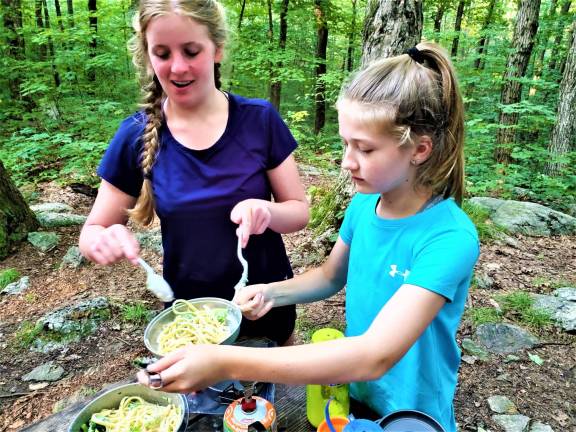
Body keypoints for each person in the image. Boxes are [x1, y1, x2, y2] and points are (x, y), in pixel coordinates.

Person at [137, 42, 480, 432]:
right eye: (345, 143)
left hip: (411, 411)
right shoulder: (364, 208)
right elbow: (331, 277)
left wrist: (224, 361)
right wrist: (271, 292)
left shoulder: (449, 239)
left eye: (364, 149)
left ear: (419, 149)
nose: (347, 161)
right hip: (357, 390)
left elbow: (376, 354)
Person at [78, 0, 309, 346]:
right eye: (163, 53)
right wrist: (101, 239)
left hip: (265, 304)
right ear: (147, 55)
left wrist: (267, 211)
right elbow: (93, 230)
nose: (178, 67)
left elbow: (299, 211)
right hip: (189, 319)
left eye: (191, 50)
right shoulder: (135, 135)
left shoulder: (259, 120)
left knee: (275, 400)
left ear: (217, 49)